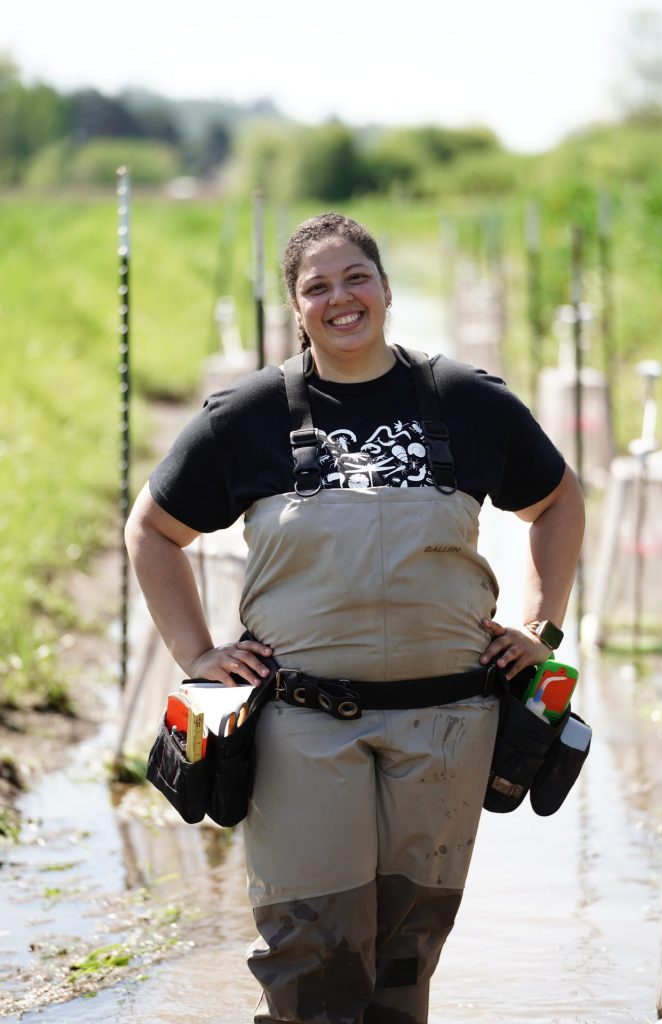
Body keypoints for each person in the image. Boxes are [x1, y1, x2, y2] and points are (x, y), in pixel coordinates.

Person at [125, 211, 585, 1024]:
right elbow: (153, 531)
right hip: (302, 725)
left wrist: (541, 629)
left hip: (449, 725)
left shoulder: (467, 400)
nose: (340, 299)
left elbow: (556, 502)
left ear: (385, 289)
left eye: (356, 278)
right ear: (295, 308)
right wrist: (197, 654)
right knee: (312, 960)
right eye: (317, 287)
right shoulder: (250, 416)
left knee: (406, 960)